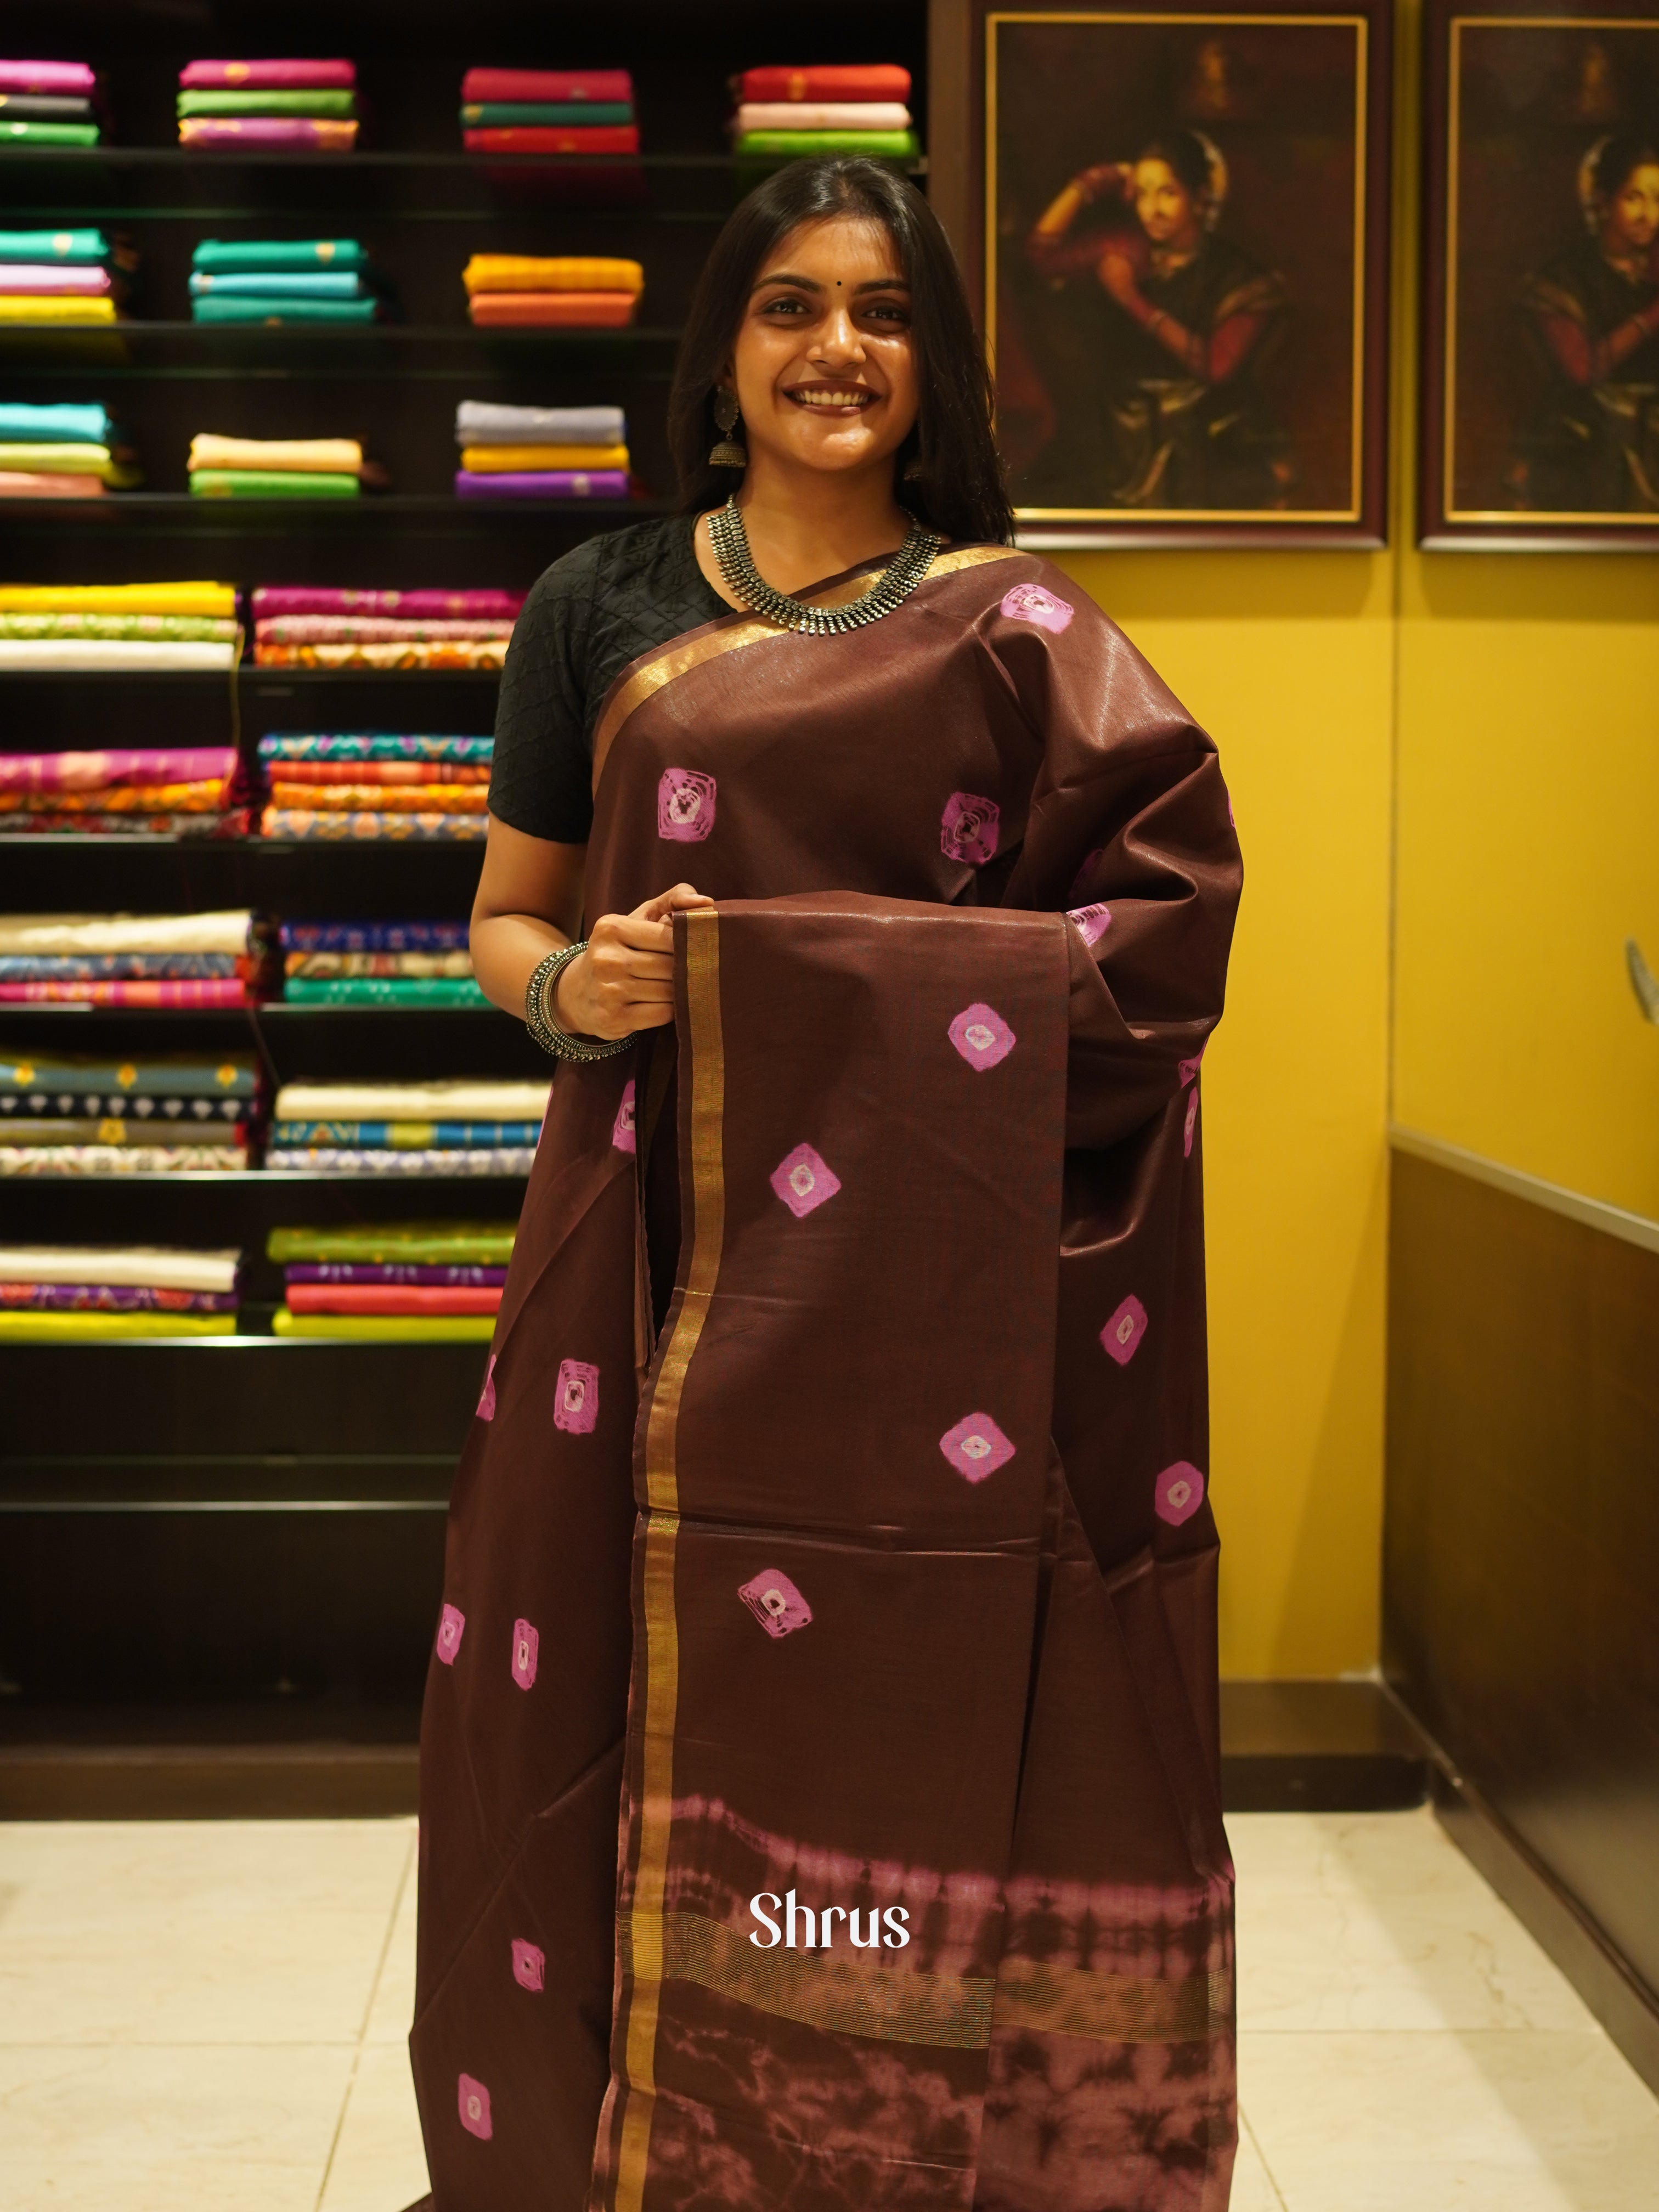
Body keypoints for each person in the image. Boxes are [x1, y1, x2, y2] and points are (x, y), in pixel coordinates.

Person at [407, 155, 1243, 2212]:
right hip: (651, 1260)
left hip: (937, 1293)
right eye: (787, 306)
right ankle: (613, 2139)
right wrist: (583, 989)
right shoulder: (596, 604)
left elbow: (1157, 936)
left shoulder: (1016, 628)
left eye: (874, 313)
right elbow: (501, 920)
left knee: (950, 1671)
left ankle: (923, 2130)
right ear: (725, 353)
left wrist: (806, 974)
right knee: (590, 1670)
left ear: (929, 364)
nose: (832, 349)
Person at [1022, 128, 1290, 509]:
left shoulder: (1240, 277)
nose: (1153, 209)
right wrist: (1091, 184)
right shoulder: (1127, 248)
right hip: (1120, 436)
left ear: (1199, 199)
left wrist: (1133, 300)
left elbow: (1214, 365)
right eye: (1143, 193)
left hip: (1204, 439)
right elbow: (1041, 254)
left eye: (1168, 193)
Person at [1514, 130, 1659, 511]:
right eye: (1634, 198)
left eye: (1658, 200)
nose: (1650, 215)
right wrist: (1651, 317)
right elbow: (1584, 370)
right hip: (1588, 449)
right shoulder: (1563, 281)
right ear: (1602, 203)